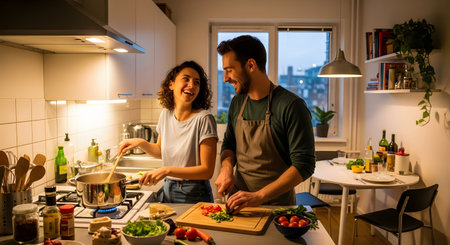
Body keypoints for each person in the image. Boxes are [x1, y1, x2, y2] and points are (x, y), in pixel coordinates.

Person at [215, 35, 315, 212]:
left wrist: (259, 196)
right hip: (237, 202)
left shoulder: (291, 106)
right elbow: (229, 144)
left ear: (251, 65)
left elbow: (304, 165)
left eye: (229, 70)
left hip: (278, 207)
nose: (225, 78)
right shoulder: (237, 102)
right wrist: (226, 168)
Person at [118, 61, 218, 203]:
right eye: (186, 79)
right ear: (171, 84)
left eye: (197, 82)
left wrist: (166, 170)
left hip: (194, 193)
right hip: (168, 188)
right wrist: (140, 142)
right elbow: (160, 151)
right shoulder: (166, 114)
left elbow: (207, 170)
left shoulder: (204, 119)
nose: (192, 85)